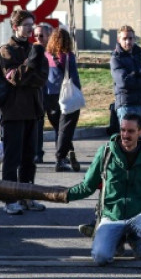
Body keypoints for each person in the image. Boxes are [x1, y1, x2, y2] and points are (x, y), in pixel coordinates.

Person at [66, 114, 141, 266]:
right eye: (123, 130)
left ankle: (134, 239)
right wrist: (63, 195)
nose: (125, 135)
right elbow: (87, 186)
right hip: (112, 216)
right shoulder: (105, 152)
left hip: (139, 214)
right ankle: (117, 240)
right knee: (100, 257)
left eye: (131, 131)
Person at [0, 9, 49, 215]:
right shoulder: (7, 50)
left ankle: (28, 196)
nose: (30, 29)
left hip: (33, 110)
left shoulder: (34, 48)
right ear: (15, 27)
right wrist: (30, 64)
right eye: (26, 25)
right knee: (12, 158)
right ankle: (10, 199)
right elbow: (15, 78)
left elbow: (41, 78)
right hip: (13, 112)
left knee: (30, 157)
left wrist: (28, 71)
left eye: (31, 24)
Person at [111, 25, 141, 139]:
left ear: (134, 39)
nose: (128, 41)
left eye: (130, 38)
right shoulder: (116, 58)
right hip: (126, 105)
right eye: (125, 38)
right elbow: (124, 82)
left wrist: (138, 72)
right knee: (128, 143)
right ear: (119, 39)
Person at [46, 28, 82, 172]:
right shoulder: (67, 56)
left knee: (59, 128)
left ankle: (67, 152)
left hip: (49, 95)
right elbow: (74, 77)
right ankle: (60, 158)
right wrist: (78, 91)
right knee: (66, 127)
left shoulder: (46, 56)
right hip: (66, 95)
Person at [33, 23, 54, 164]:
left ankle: (63, 154)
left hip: (53, 94)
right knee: (37, 125)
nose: (38, 38)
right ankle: (37, 153)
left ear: (49, 36)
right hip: (38, 93)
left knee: (58, 125)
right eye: (35, 35)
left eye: (41, 35)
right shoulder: (33, 51)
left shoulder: (54, 52)